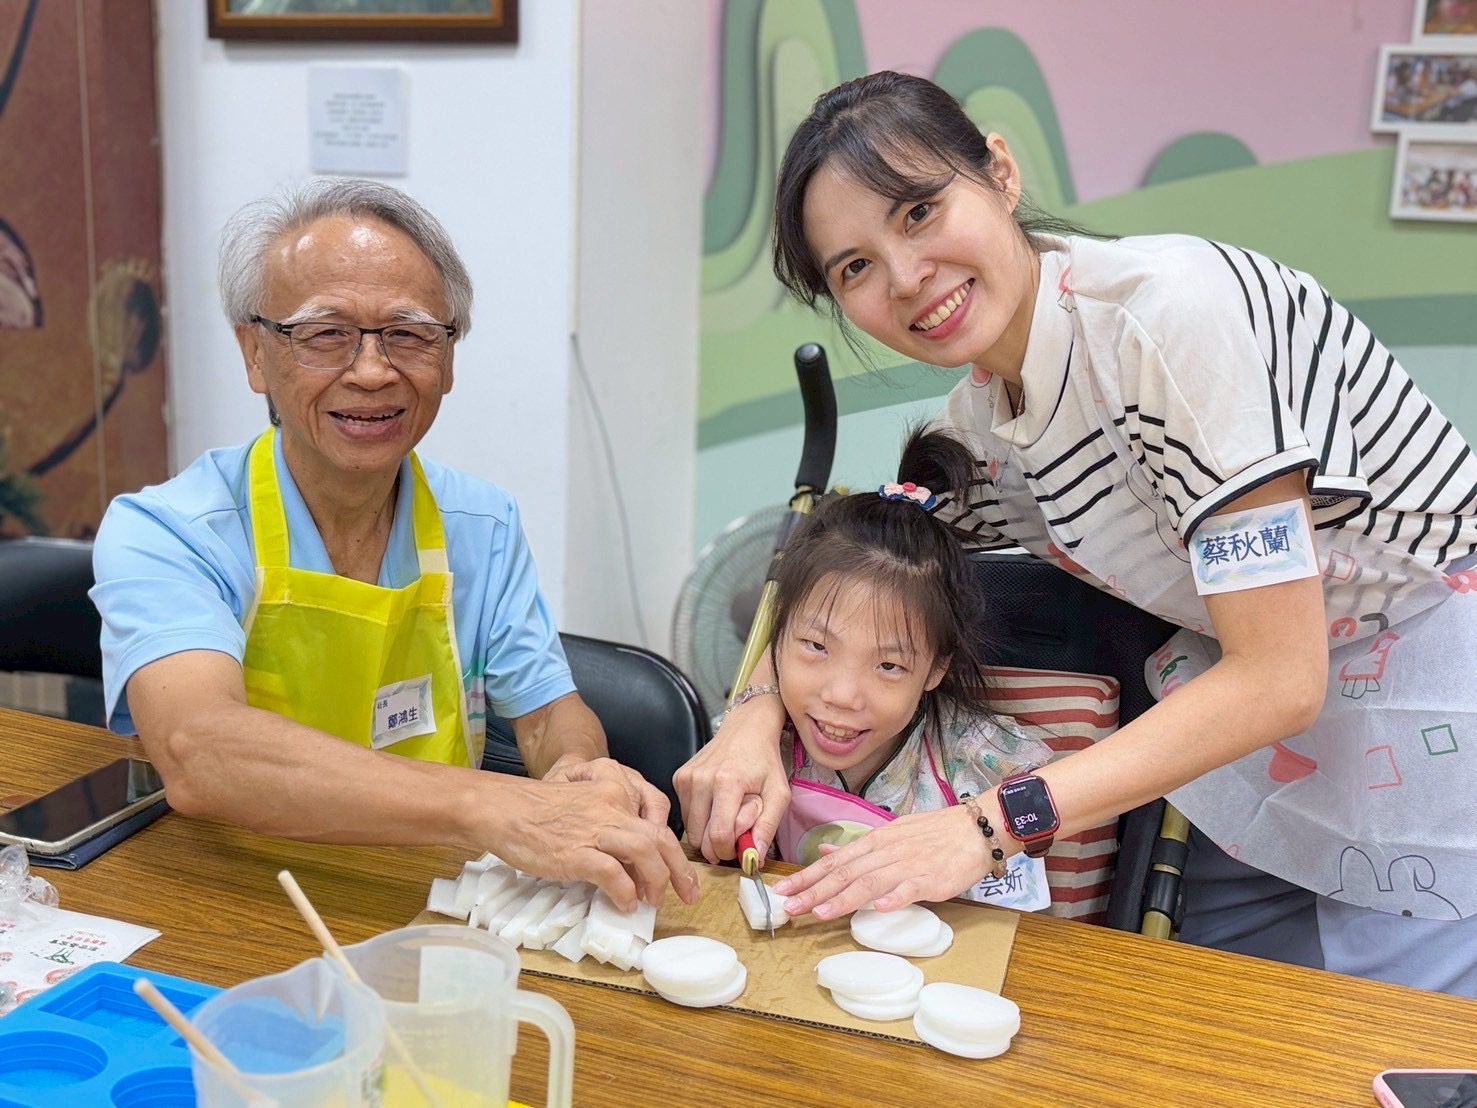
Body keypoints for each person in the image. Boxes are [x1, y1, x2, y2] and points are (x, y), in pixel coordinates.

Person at [676, 71, 1477, 995]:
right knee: (1205, 1022)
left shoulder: (1170, 325)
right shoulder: (983, 427)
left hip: (1423, 698)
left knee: (1379, 1053)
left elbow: (1279, 675)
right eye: (853, 267)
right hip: (1253, 736)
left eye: (919, 212)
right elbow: (865, 579)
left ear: (1000, 173)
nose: (904, 278)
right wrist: (753, 715)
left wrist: (982, 826)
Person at [91, 178, 697, 911]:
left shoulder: (482, 524)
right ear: (256, 355)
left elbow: (545, 713)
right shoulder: (168, 531)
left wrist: (577, 771)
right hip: (230, 895)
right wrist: (486, 803)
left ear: (447, 359)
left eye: (409, 334)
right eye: (325, 333)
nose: (373, 370)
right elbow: (199, 748)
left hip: (428, 897)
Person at [756, 425, 1051, 907]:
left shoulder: (979, 763)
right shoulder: (761, 744)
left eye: (889, 666)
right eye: (815, 645)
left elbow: (1016, 917)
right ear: (780, 633)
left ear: (936, 668)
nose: (842, 695)